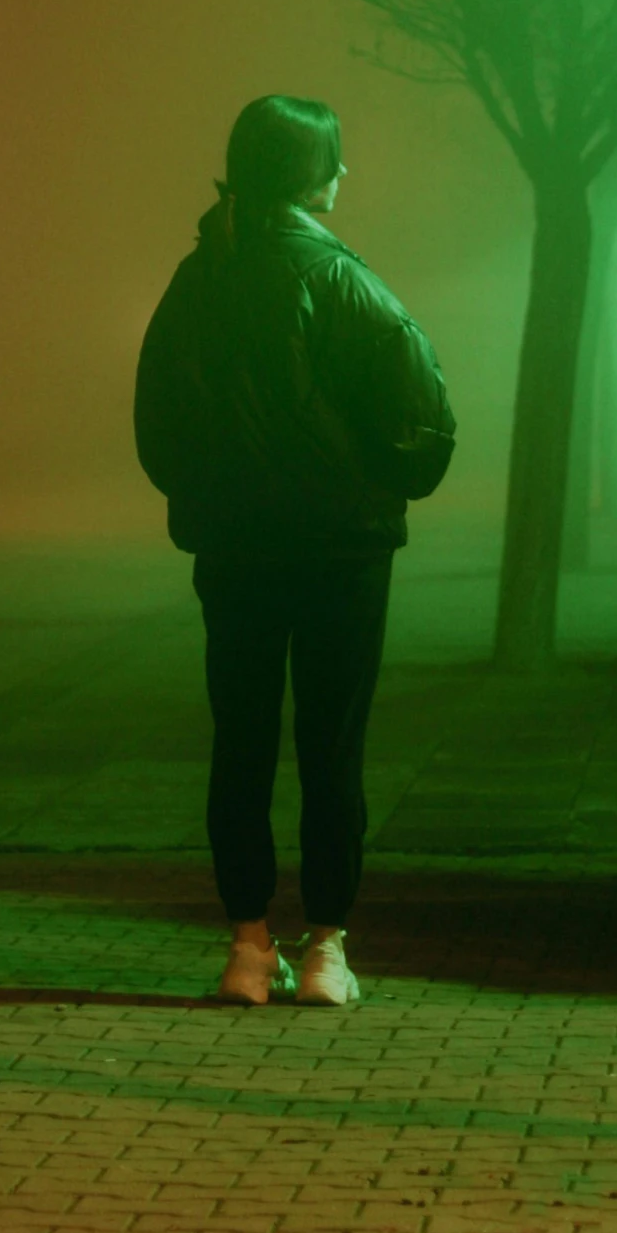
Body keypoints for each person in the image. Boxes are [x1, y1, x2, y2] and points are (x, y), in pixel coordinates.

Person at [134, 95, 455, 1008]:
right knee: (332, 746)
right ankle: (326, 950)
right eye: (335, 160)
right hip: (342, 554)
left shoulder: (200, 278)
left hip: (232, 552)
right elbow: (422, 418)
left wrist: (207, 495)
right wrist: (374, 481)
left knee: (240, 742)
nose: (346, 176)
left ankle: (245, 947)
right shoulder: (348, 280)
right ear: (310, 174)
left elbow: (158, 421)